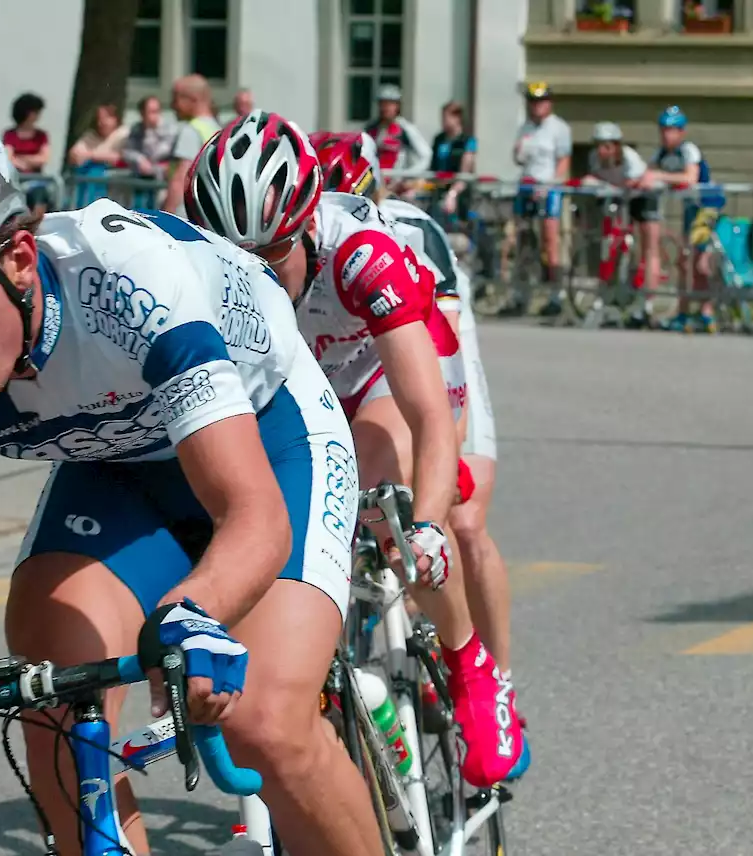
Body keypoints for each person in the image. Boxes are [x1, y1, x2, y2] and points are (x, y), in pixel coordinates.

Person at [0, 107, 384, 856]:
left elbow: (252, 515)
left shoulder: (124, 280)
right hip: (118, 467)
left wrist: (194, 610)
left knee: (263, 720)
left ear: (22, 258)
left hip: (267, 436)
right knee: (52, 688)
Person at [186, 111, 527, 790]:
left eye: (268, 255)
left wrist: (425, 523)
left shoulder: (364, 252)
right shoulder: (208, 276)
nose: (249, 274)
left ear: (307, 224)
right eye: (233, 259)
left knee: (389, 516)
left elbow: (428, 414)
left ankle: (471, 668)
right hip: (306, 381)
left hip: (386, 372)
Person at [313, 131, 524, 763]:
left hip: (426, 352)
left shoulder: (401, 234)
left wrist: (437, 476)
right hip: (336, 371)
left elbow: (439, 366)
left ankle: (494, 680)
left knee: (458, 517)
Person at [645, 106, 723, 333]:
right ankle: (683, 312)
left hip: (708, 207)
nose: (667, 135)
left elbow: (690, 178)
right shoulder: (660, 154)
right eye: (664, 130)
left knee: (698, 262)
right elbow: (646, 173)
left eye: (673, 130)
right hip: (690, 209)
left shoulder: (689, 150)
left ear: (681, 132)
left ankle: (707, 311)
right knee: (683, 262)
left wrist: (659, 176)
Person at [583, 121, 659, 328]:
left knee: (648, 247)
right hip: (617, 195)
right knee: (611, 242)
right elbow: (597, 178)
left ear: (616, 146)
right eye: (598, 146)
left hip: (641, 196)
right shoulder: (594, 158)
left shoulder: (629, 158)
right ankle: (610, 293)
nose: (601, 151)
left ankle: (648, 303)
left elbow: (635, 183)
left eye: (606, 146)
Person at [510, 81, 572, 317]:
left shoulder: (558, 128)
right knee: (523, 240)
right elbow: (518, 158)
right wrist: (518, 150)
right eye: (532, 102)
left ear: (549, 103)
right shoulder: (525, 127)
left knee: (550, 241)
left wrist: (550, 186)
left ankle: (556, 295)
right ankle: (521, 294)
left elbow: (563, 162)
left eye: (541, 101)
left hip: (549, 188)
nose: (536, 106)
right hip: (526, 185)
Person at [160, 74, 219, 215]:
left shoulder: (191, 131)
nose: (172, 105)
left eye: (176, 98)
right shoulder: (217, 130)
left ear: (193, 100)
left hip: (185, 215)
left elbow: (180, 178)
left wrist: (167, 216)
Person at [363, 83, 430, 182]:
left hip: (396, 184)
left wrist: (407, 176)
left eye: (390, 104)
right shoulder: (370, 128)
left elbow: (426, 155)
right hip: (373, 182)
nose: (385, 108)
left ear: (397, 106)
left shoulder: (405, 128)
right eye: (382, 103)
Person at [67, 103, 129, 207]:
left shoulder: (123, 134)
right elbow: (74, 155)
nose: (101, 122)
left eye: (105, 118)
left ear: (115, 119)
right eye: (99, 119)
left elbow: (120, 157)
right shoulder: (90, 136)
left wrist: (91, 155)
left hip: (114, 186)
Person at [2, 93, 53, 216]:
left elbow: (44, 158)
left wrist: (21, 159)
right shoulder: (10, 135)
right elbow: (8, 157)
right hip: (16, 181)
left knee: (39, 198)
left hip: (36, 181)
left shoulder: (41, 136)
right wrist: (30, 160)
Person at [429, 100, 477, 220]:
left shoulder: (467, 141)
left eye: (446, 117)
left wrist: (452, 193)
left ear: (457, 118)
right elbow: (432, 166)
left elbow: (464, 173)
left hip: (458, 192)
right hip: (437, 188)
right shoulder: (438, 139)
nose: (443, 121)